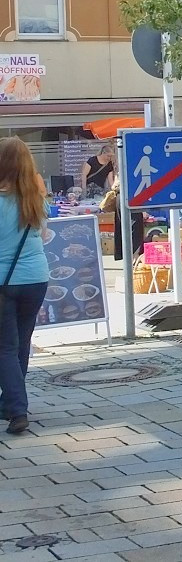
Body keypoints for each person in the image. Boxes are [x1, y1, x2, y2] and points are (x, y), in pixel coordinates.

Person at [0, 138, 49, 435]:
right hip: (36, 278)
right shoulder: (36, 198)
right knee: (21, 341)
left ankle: (17, 410)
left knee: (4, 347)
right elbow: (42, 236)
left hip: (3, 282)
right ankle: (9, 402)